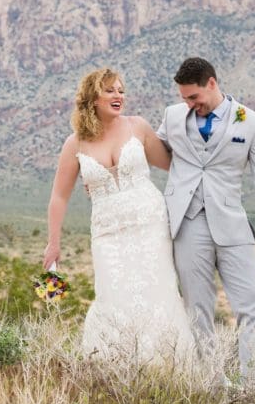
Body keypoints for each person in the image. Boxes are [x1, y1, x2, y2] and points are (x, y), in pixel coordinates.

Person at [44, 67, 195, 366]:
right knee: (112, 295)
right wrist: (53, 243)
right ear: (93, 97)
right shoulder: (75, 143)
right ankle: (113, 369)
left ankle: (170, 367)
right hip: (107, 233)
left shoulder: (137, 126)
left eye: (121, 90)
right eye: (110, 90)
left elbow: (172, 164)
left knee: (159, 291)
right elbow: (59, 197)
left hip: (150, 225)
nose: (118, 96)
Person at [157, 57, 255, 382]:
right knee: (197, 310)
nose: (189, 104)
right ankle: (211, 384)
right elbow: (156, 150)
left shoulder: (251, 121)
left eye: (194, 97)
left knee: (254, 303)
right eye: (185, 98)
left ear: (211, 84)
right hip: (187, 224)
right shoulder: (173, 116)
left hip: (232, 223)